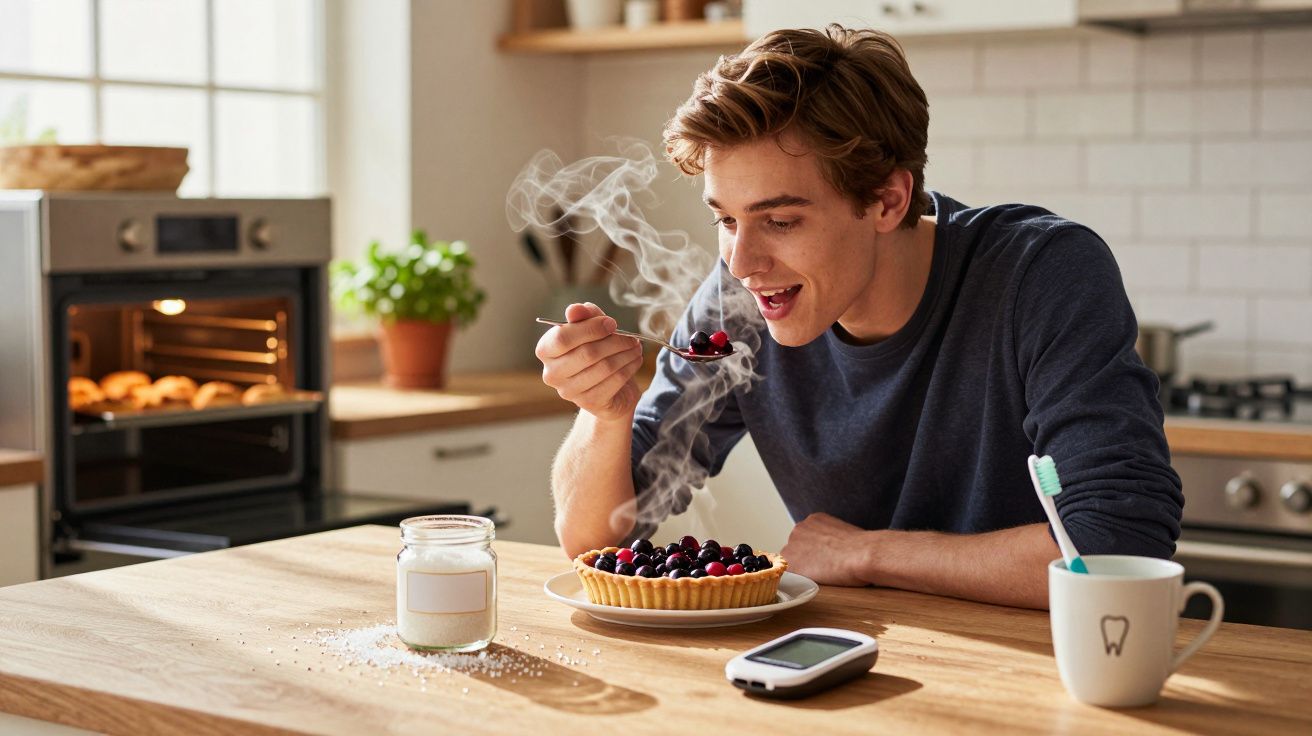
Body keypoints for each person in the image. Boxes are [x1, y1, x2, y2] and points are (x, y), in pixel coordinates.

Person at [534, 25, 1182, 609]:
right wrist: (607, 413)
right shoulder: (737, 308)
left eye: (780, 221)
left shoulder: (1040, 273)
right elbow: (595, 538)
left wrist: (867, 552)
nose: (740, 261)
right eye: (726, 221)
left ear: (887, 200)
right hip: (863, 658)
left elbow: (1120, 546)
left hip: (1045, 668)